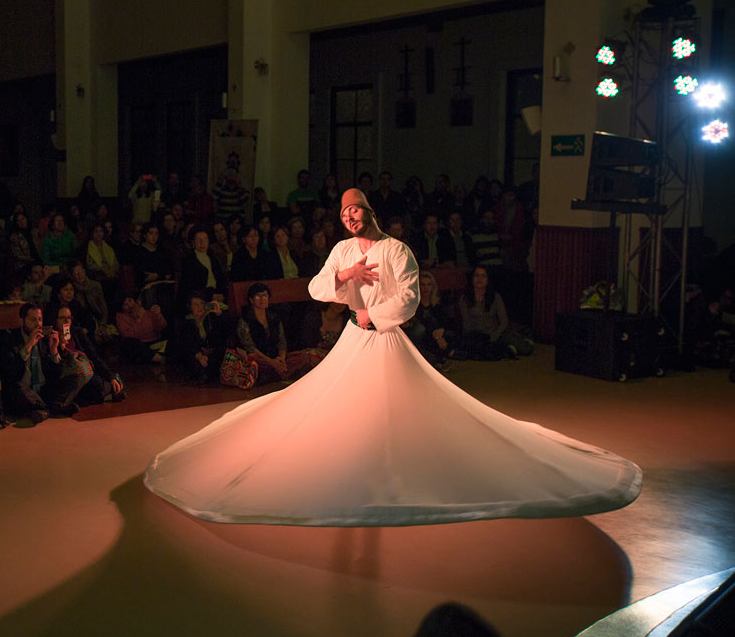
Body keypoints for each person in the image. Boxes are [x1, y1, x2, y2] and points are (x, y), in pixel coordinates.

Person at [143, 188, 642, 526]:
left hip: (381, 337)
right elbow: (318, 287)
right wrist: (346, 282)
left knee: (398, 411)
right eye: (342, 213)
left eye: (355, 210)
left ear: (369, 209)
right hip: (352, 341)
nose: (349, 217)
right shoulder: (341, 251)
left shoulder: (398, 250)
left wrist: (371, 316)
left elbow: (409, 298)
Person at [170, 290, 228, 382]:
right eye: (195, 304)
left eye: (201, 303)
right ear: (190, 307)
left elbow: (222, 334)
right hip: (196, 353)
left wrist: (218, 315)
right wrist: (199, 355)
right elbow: (187, 342)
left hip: (211, 352)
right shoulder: (186, 321)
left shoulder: (210, 317)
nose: (199, 307)